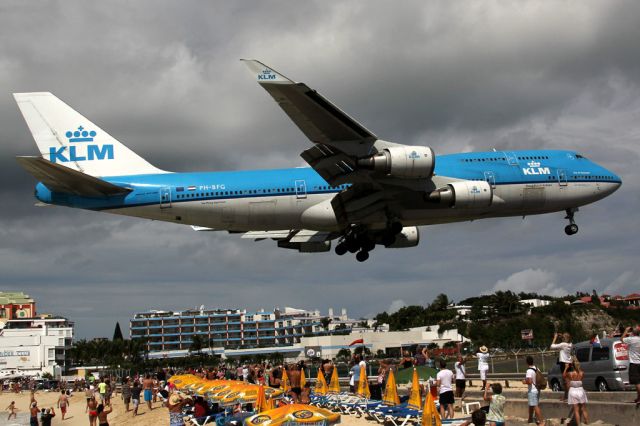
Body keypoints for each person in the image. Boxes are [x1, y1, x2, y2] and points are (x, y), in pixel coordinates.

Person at [563, 360, 589, 424]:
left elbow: (564, 376)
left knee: (576, 410)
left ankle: (578, 424)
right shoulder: (582, 373)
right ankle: (587, 423)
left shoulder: (570, 374)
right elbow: (581, 380)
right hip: (580, 390)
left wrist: (566, 367)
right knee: (583, 409)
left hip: (573, 391)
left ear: (572, 366)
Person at [523, 355, 545, 425]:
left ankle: (541, 422)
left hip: (532, 390)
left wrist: (524, 382)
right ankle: (530, 419)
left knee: (535, 406)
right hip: (537, 389)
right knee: (531, 405)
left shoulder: (529, 371)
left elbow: (529, 382)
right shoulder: (537, 368)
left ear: (527, 362)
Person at [551, 332, 573, 401]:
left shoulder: (563, 344)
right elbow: (566, 339)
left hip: (564, 364)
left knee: (566, 382)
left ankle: (568, 397)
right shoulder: (570, 344)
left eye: (563, 337)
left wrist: (555, 337)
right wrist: (562, 336)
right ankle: (566, 396)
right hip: (569, 363)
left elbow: (552, 346)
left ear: (564, 338)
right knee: (566, 381)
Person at [621, 326, 640, 403]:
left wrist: (625, 331)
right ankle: (638, 398)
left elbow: (621, 339)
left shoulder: (632, 339)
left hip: (634, 363)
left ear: (633, 333)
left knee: (637, 382)